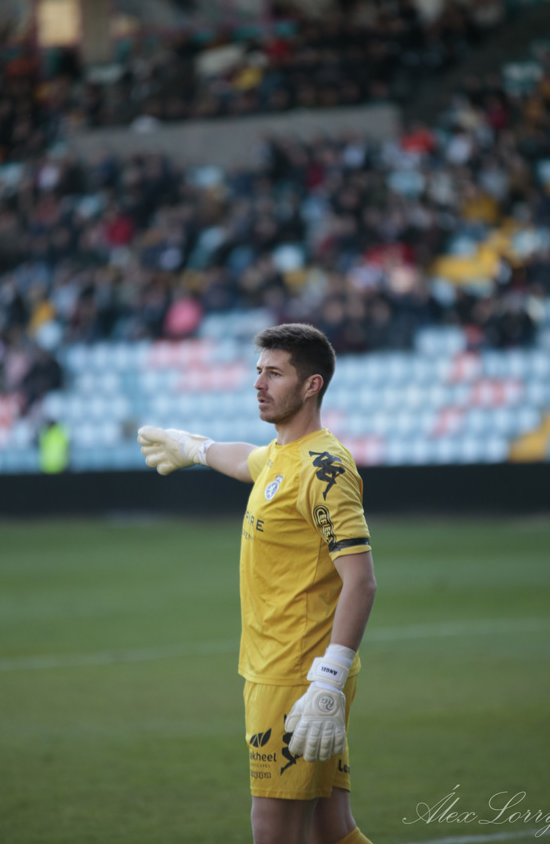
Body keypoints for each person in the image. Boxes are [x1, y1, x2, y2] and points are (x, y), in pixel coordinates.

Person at [138, 323, 376, 844]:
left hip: (296, 676)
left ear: (311, 385)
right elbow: (249, 460)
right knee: (330, 829)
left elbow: (361, 582)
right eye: (258, 371)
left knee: (274, 833)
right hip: (288, 668)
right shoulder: (282, 454)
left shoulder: (325, 469)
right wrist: (192, 446)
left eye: (274, 373)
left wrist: (328, 680)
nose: (259, 383)